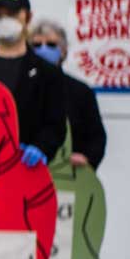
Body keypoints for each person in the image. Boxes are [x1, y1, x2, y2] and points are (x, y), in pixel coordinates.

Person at [0, 0, 68, 169]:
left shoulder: (48, 73)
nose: (4, 20)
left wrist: (41, 147)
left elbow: (55, 126)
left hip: (25, 169)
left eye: (12, 14)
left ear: (28, 17)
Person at [28, 16, 105, 168]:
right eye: (37, 45)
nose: (43, 49)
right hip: (27, 171)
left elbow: (96, 137)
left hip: (67, 174)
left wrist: (87, 157)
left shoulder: (81, 92)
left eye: (51, 45)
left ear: (63, 51)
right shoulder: (21, 85)